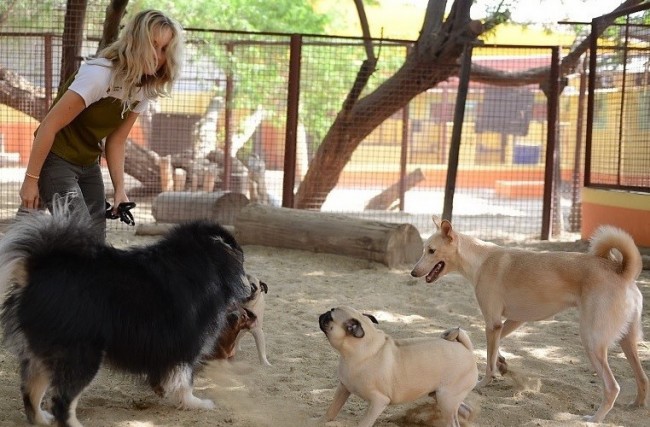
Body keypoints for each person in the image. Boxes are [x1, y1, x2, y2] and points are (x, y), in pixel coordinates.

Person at [19, 9, 184, 241]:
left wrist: (120, 190)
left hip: (88, 163)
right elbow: (48, 126)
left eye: (165, 49)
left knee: (95, 241)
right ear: (136, 42)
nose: (158, 55)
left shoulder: (145, 88)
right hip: (55, 158)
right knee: (79, 237)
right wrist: (31, 181)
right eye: (153, 45)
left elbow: (117, 140)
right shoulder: (100, 74)